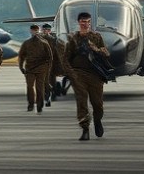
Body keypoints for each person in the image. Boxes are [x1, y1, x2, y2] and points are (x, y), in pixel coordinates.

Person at [65, 11, 110, 141]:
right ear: (79, 22)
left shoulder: (96, 37)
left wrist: (95, 48)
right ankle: (85, 129)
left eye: (88, 22)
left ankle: (97, 120)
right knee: (82, 102)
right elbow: (66, 59)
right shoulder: (73, 39)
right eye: (83, 22)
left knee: (98, 105)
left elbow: (106, 53)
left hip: (95, 75)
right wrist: (71, 74)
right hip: (79, 75)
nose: (86, 24)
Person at [18, 24, 52, 113]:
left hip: (41, 69)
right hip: (29, 69)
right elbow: (21, 56)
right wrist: (21, 66)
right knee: (30, 87)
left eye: (36, 30)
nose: (35, 32)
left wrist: (47, 69)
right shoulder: (26, 43)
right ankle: (31, 104)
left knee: (40, 88)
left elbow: (49, 57)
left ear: (38, 31)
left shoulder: (44, 43)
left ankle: (39, 105)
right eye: (33, 30)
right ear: (31, 31)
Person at [40, 23, 64, 105]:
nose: (46, 31)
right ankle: (46, 96)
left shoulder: (54, 40)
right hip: (42, 64)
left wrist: (60, 65)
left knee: (52, 81)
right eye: (44, 29)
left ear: (50, 30)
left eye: (47, 30)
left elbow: (57, 52)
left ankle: (51, 95)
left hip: (52, 64)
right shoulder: (38, 39)